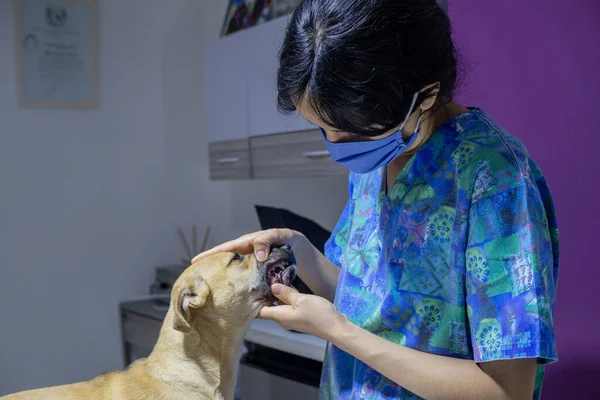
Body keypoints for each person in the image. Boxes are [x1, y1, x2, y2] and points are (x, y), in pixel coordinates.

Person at [195, 0, 559, 398]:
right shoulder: (374, 163)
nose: (338, 147)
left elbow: (507, 392)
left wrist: (339, 332)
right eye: (323, 129)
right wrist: (299, 251)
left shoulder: (495, 179)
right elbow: (370, 300)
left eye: (352, 134)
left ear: (425, 95)